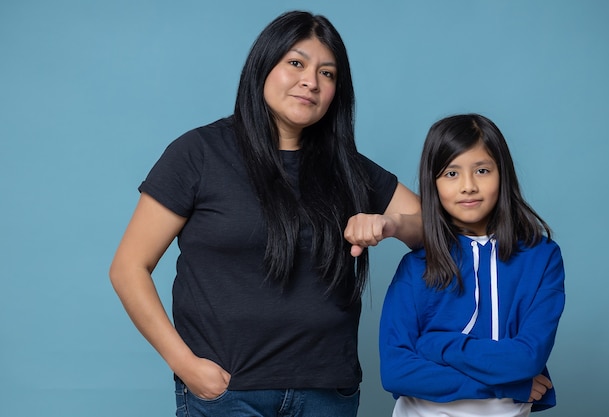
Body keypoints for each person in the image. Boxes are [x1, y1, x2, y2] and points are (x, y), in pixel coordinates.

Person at [109, 10, 422, 417]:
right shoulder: (199, 153)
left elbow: (437, 233)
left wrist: (392, 224)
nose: (311, 81)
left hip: (328, 393)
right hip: (228, 393)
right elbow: (129, 267)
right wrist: (185, 366)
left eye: (327, 74)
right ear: (263, 66)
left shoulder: (349, 168)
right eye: (296, 63)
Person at [379, 113, 565, 417]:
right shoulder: (415, 267)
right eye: (451, 174)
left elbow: (527, 360)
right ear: (433, 183)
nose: (468, 186)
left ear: (502, 173)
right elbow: (396, 372)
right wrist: (506, 385)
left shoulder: (542, 257)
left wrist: (437, 344)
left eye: (481, 170)